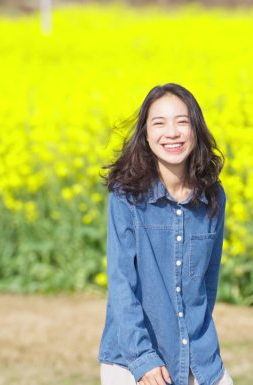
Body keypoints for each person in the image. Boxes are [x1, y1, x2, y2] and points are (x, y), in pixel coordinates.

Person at [98, 83, 233, 385]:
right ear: (145, 135)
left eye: (181, 122)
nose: (171, 133)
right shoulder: (126, 197)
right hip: (133, 360)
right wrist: (143, 359)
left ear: (195, 130)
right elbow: (122, 284)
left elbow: (208, 282)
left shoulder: (212, 197)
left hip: (201, 359)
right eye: (159, 123)